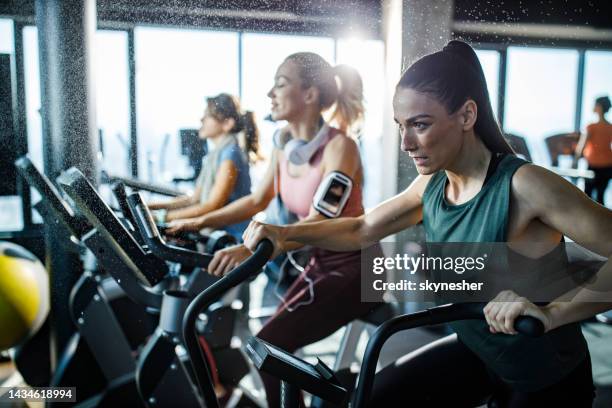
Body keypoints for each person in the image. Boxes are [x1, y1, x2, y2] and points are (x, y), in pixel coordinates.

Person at [243, 41, 612, 407]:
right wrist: (282, 234)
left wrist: (551, 314)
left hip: (544, 375)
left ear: (467, 116)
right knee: (370, 399)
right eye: (400, 126)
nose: (405, 143)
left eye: (419, 125)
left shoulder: (525, 186)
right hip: (477, 349)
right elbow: (361, 229)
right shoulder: (432, 184)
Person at [166, 52, 377, 407]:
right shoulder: (284, 144)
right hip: (316, 264)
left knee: (269, 349)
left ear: (309, 95)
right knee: (268, 349)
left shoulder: (340, 148)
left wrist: (255, 244)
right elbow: (256, 200)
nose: (270, 94)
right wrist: (196, 221)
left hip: (356, 269)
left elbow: (321, 219)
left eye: (281, 84)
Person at [148, 93, 259, 239]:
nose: (201, 120)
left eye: (208, 116)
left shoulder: (231, 155)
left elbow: (212, 205)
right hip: (220, 234)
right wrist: (150, 207)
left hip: (234, 238)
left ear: (227, 124)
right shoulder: (217, 154)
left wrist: (161, 217)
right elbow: (194, 199)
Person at [575, 95, 612, 206]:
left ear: (599, 107)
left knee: (588, 198)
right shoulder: (610, 127)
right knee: (601, 197)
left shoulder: (591, 127)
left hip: (593, 167)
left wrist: (575, 161)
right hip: (608, 166)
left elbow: (581, 147)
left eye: (595, 104)